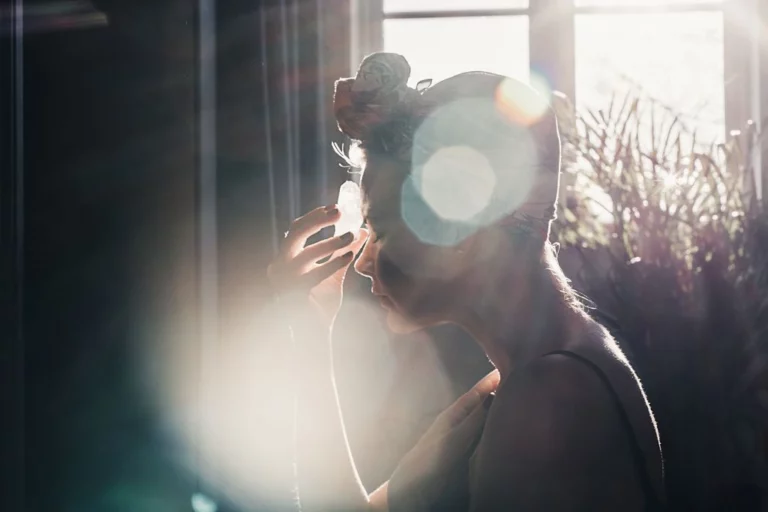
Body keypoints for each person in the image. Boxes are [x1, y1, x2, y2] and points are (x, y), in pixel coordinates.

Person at [267, 52, 665, 511]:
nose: (361, 262)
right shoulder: (514, 382)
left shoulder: (547, 401)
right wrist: (314, 336)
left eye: (382, 232)